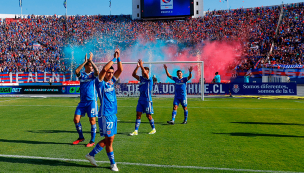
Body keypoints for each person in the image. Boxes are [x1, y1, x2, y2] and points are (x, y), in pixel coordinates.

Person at [85, 49, 123, 171]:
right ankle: (112, 164)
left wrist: (118, 58)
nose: (110, 74)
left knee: (109, 140)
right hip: (105, 114)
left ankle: (91, 155)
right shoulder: (99, 82)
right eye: (109, 73)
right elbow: (104, 70)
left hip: (113, 114)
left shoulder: (112, 81)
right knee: (109, 140)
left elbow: (120, 70)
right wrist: (113, 58)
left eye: (112, 73)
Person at [73, 53, 99, 147]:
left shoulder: (93, 75)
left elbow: (97, 72)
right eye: (90, 65)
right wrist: (85, 61)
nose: (92, 67)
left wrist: (91, 60)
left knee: (92, 120)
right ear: (86, 66)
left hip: (91, 101)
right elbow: (76, 71)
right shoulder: (82, 75)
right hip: (82, 102)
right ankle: (81, 137)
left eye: (92, 66)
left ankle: (92, 141)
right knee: (76, 119)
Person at [129, 59, 156, 136]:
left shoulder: (149, 78)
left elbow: (144, 72)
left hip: (147, 100)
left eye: (145, 71)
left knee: (148, 115)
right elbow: (133, 74)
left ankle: (153, 129)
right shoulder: (141, 78)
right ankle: (135, 131)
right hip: (141, 99)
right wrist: (137, 67)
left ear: (148, 72)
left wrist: (141, 65)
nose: (143, 72)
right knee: (138, 114)